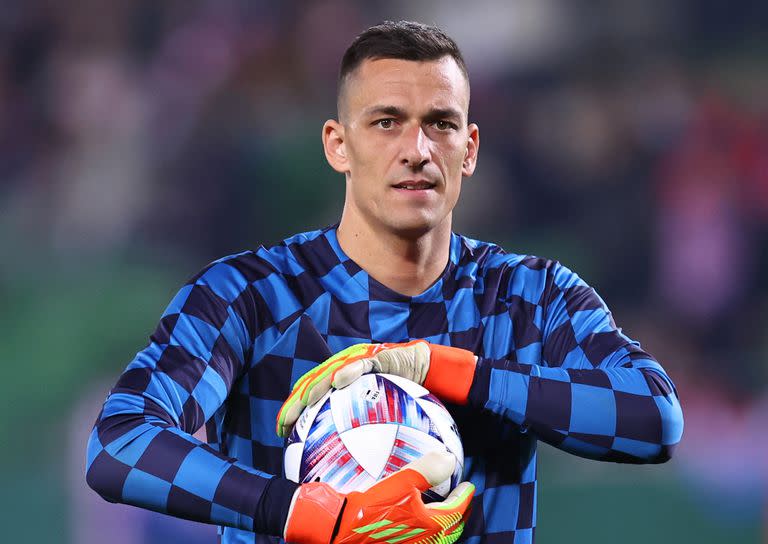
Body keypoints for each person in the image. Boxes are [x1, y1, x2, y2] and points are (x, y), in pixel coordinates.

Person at [86, 20, 684, 544]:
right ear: (338, 145)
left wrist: (442, 369)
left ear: (469, 149)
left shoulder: (531, 298)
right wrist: (307, 513)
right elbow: (119, 445)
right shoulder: (248, 296)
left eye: (441, 124)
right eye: (386, 122)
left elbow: (655, 418)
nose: (417, 150)